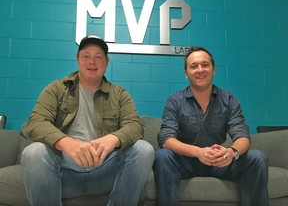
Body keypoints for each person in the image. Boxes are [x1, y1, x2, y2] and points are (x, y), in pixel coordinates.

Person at [21, 35, 154, 206]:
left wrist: (113, 139)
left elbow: (135, 126)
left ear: (106, 62)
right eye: (86, 56)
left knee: (144, 149)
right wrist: (66, 143)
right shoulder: (56, 89)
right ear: (77, 59)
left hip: (105, 170)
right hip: (64, 170)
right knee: (34, 152)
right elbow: (36, 122)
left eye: (98, 57)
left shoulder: (120, 94)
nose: (92, 61)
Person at [153, 46, 268, 206]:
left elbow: (242, 135)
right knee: (162, 156)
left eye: (205, 65)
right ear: (186, 73)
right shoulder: (175, 101)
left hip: (220, 160)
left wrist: (231, 152)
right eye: (194, 66)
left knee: (257, 157)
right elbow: (166, 139)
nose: (200, 70)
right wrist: (198, 152)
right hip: (187, 161)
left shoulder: (228, 99)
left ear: (213, 70)